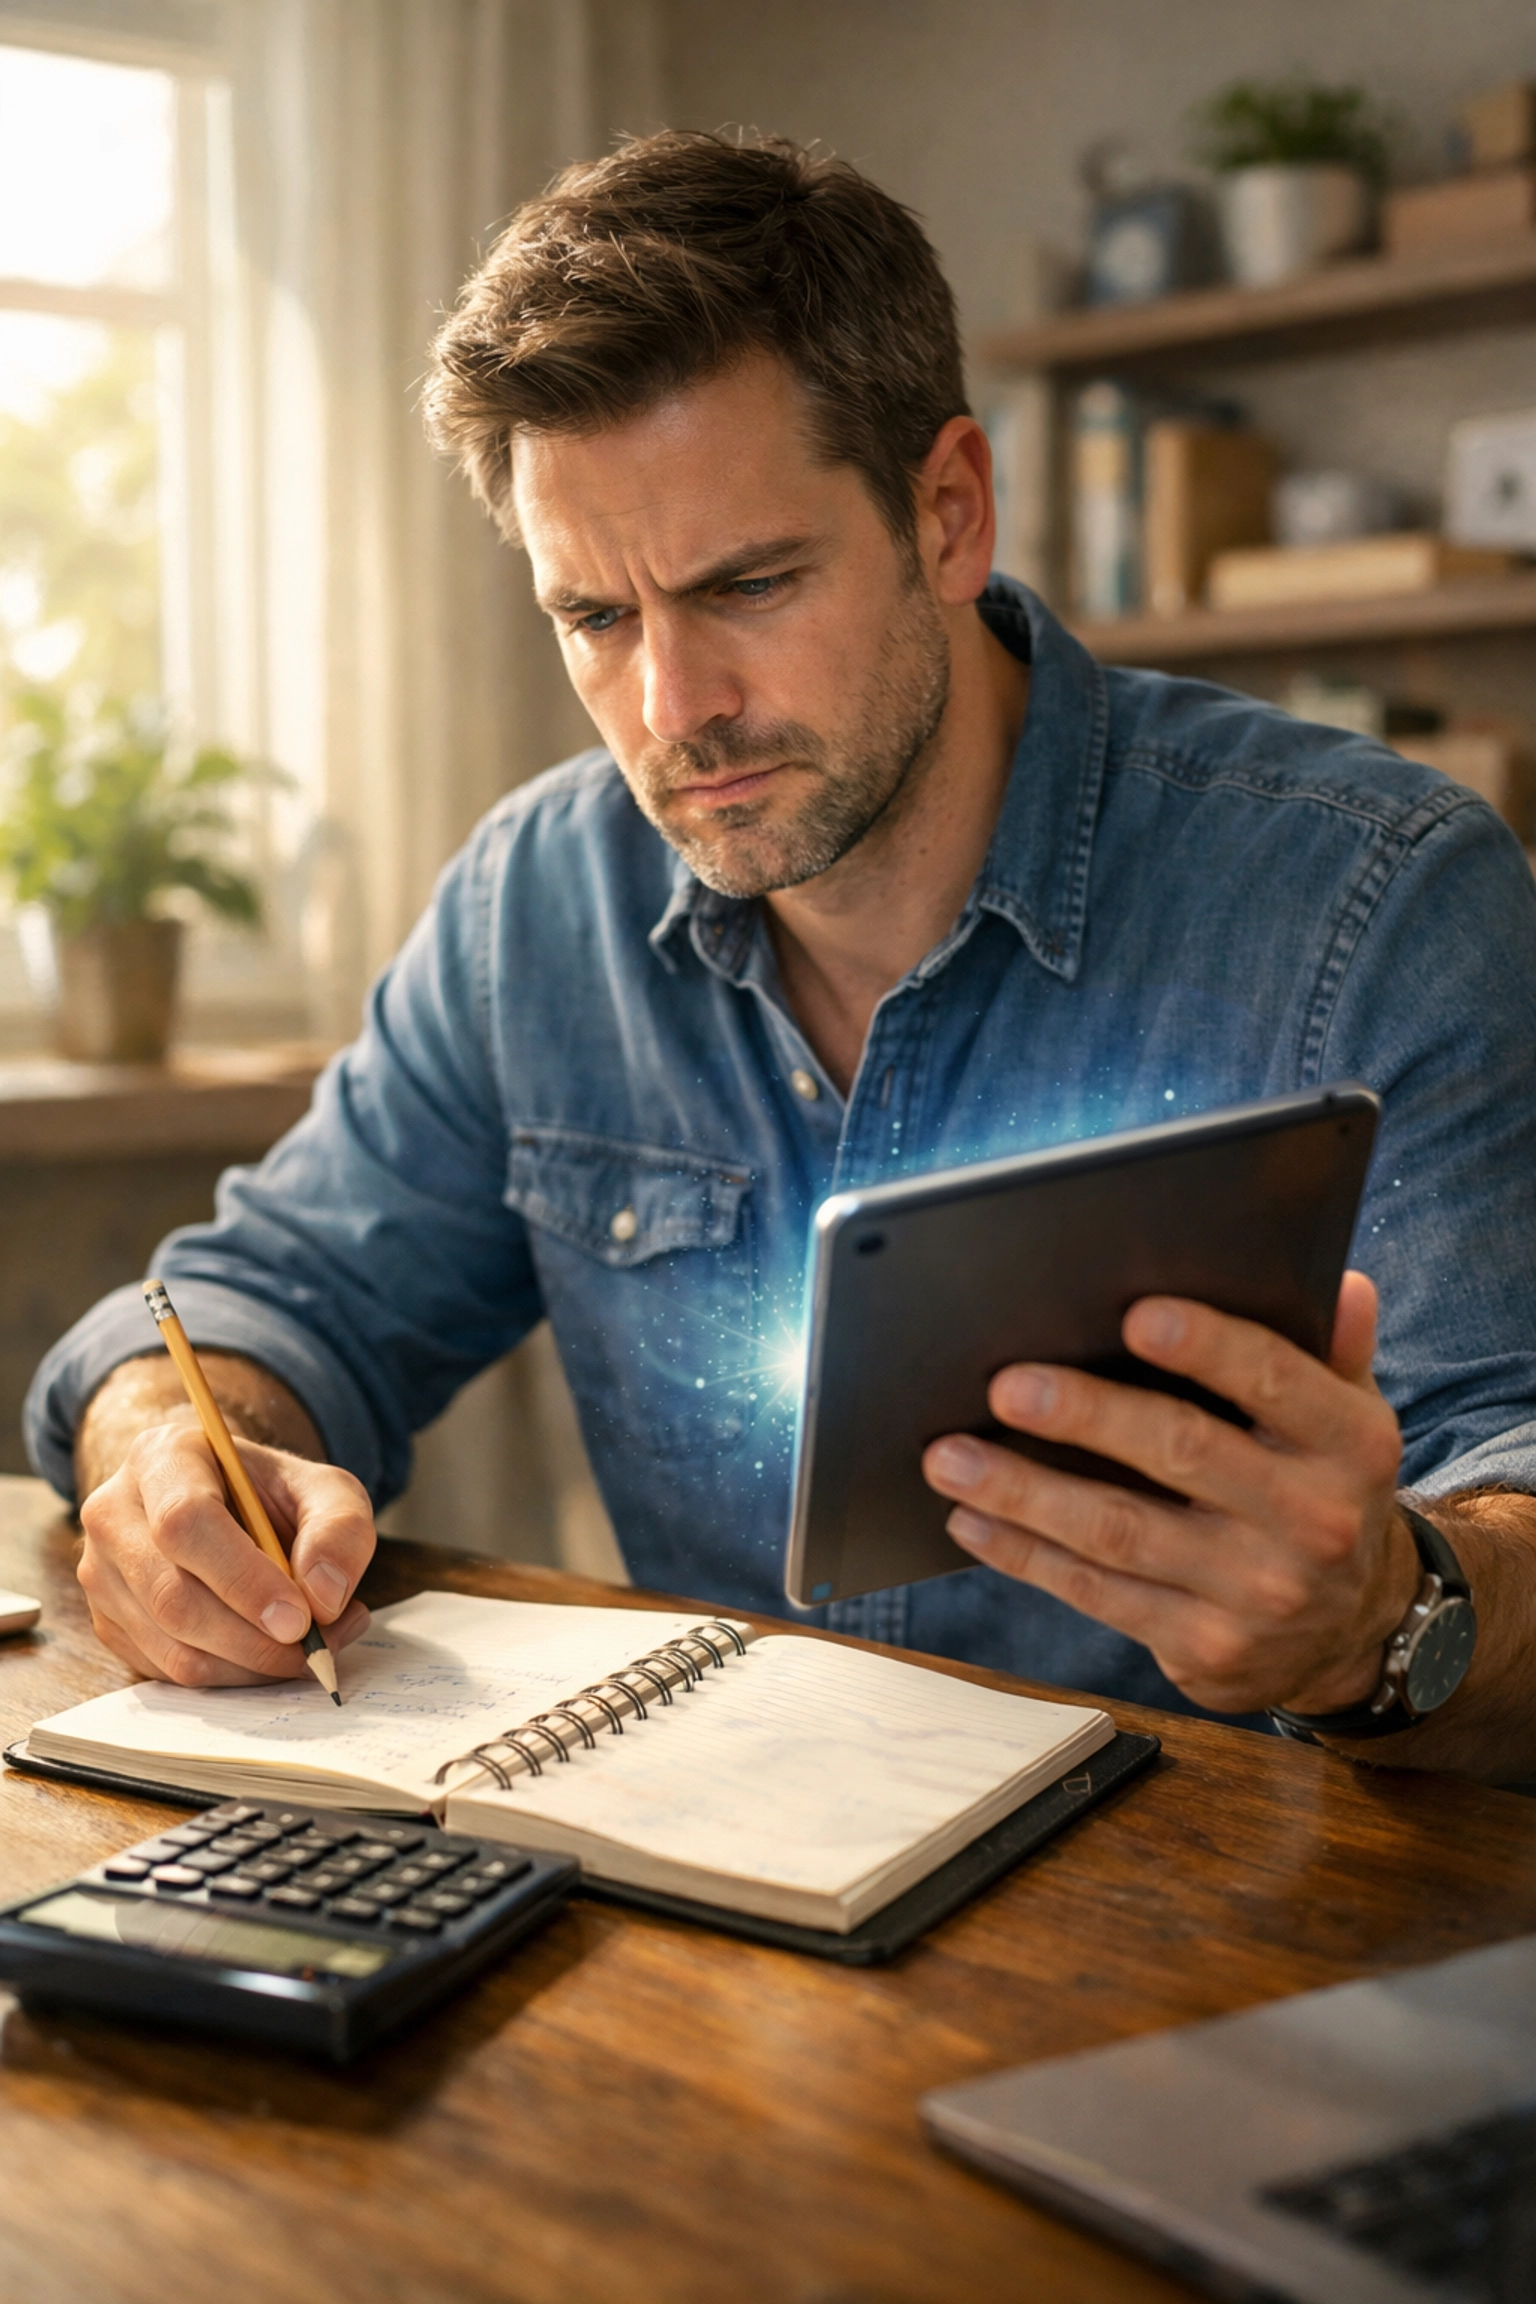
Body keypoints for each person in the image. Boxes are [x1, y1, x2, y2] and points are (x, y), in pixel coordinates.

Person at [27, 132, 1536, 1781]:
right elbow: (263, 1296)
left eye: (747, 584)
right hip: (717, 1875)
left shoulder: (1378, 901)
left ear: (948, 514)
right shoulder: (536, 904)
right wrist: (175, 1457)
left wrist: (1387, 1612)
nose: (673, 711)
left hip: (1233, 1897)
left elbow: (1511, 1471)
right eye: (596, 618)